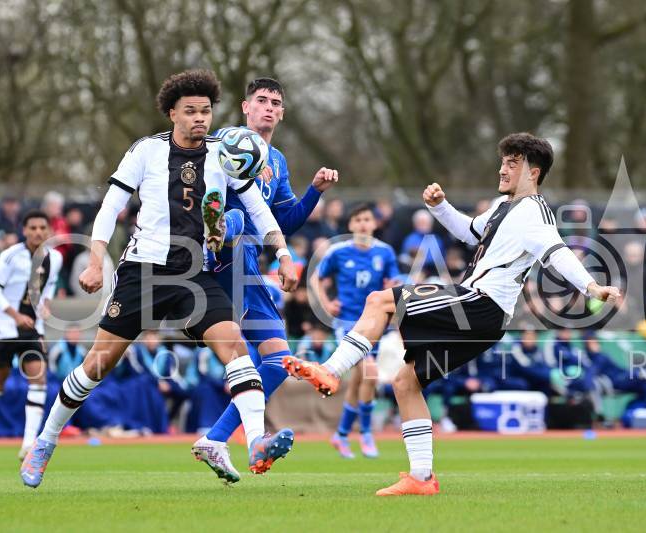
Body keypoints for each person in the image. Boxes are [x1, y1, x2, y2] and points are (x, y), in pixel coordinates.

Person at [283, 133, 620, 496]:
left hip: (479, 303)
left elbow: (557, 252)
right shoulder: (504, 205)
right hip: (486, 318)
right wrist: (440, 207)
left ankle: (331, 371)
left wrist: (591, 287)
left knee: (380, 301)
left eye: (512, 163)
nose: (503, 169)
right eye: (503, 161)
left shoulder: (535, 212)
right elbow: (471, 233)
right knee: (405, 382)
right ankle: (421, 478)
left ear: (533, 173)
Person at [20, 69, 299, 488]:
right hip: (144, 272)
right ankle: (45, 441)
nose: (199, 118)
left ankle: (257, 441)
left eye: (205, 111)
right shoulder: (146, 151)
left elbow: (259, 210)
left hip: (195, 275)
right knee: (97, 365)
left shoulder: (223, 154)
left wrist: (283, 254)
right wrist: (95, 262)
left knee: (236, 348)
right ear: (172, 113)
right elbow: (110, 207)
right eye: (190, 111)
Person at [192, 77, 338, 482]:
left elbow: (283, 220)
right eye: (261, 100)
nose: (269, 107)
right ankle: (251, 438)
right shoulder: (225, 142)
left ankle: (216, 439)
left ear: (282, 113)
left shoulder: (277, 161)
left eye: (275, 102)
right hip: (220, 255)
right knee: (236, 220)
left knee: (276, 359)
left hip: (248, 264)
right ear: (245, 107)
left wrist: (314, 191)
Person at [0, 210, 62, 464]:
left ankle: (29, 443)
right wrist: (15, 315)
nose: (38, 232)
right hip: (4, 328)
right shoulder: (10, 256)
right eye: (33, 228)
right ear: (24, 230)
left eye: (42, 227)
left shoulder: (55, 258)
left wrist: (46, 304)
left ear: (49, 230)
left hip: (32, 329)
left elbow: (49, 286)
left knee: (39, 379)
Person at [315, 204, 399, 459]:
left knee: (360, 379)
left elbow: (393, 282)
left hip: (375, 322)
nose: (363, 223)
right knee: (369, 372)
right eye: (358, 219)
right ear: (351, 225)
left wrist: (393, 288)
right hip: (347, 322)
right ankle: (365, 433)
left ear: (374, 224)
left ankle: (341, 435)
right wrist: (326, 303)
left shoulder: (385, 252)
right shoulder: (338, 251)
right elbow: (317, 278)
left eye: (367, 219)